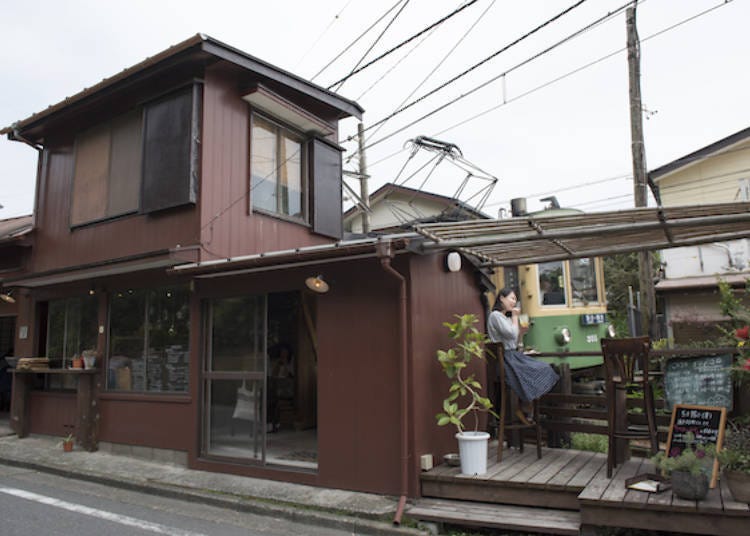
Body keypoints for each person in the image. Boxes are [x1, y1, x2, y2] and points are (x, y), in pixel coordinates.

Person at [487, 288, 559, 423]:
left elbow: (515, 340)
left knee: (544, 367)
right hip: (505, 359)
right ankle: (525, 407)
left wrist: (521, 333)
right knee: (535, 370)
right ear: (502, 298)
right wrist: (515, 318)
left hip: (512, 356)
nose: (514, 302)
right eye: (511, 298)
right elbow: (510, 334)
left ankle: (525, 405)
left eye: (515, 299)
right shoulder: (495, 316)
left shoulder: (504, 318)